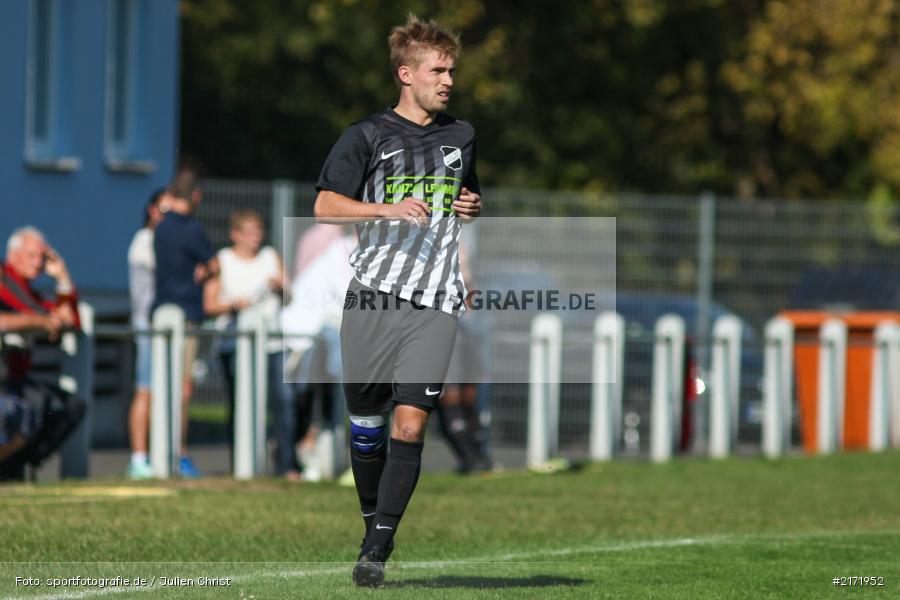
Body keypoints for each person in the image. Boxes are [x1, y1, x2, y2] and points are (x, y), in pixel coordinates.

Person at [313, 15, 482, 587]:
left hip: (435, 302)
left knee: (409, 427)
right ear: (405, 74)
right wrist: (383, 208)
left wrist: (470, 208)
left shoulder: (463, 136)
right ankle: (370, 522)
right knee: (367, 428)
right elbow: (325, 207)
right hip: (372, 299)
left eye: (452, 69)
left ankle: (378, 549)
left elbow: (462, 196)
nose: (449, 79)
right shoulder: (366, 136)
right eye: (439, 69)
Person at [203, 209, 297, 479]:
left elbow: (290, 296)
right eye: (249, 232)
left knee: (283, 401)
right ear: (235, 234)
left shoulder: (270, 257)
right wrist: (233, 305)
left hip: (272, 340)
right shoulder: (222, 260)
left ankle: (286, 465)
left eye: (259, 231)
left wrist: (282, 287)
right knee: (239, 402)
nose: (256, 237)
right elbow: (209, 305)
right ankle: (241, 464)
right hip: (236, 341)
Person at [0, 227, 85, 481]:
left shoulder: (29, 292)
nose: (38, 263)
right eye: (32, 256)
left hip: (17, 380)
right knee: (30, 410)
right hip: (6, 381)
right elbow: (22, 315)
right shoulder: (5, 279)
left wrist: (63, 279)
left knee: (69, 406)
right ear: (13, 255)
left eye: (42, 257)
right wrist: (43, 320)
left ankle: (19, 466)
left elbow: (70, 320)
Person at [152, 167, 218, 478]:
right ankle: (180, 453)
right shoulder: (192, 230)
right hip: (187, 316)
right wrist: (205, 273)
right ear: (195, 195)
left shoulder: (160, 228)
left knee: (160, 384)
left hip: (160, 312)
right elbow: (213, 264)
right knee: (183, 388)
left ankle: (158, 450)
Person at [125, 189, 167, 479]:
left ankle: (164, 454)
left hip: (163, 326)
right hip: (148, 326)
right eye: (165, 210)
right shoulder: (144, 241)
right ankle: (138, 458)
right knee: (145, 390)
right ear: (151, 210)